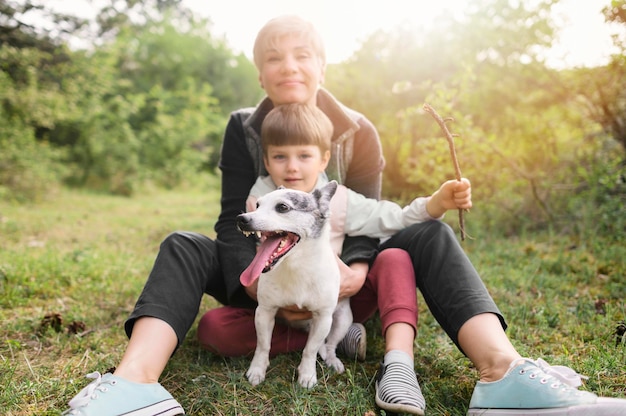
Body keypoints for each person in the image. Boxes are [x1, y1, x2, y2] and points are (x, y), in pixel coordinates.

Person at [63, 14, 626, 416]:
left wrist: (348, 274)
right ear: (259, 73)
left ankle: (501, 372)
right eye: (273, 59)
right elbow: (233, 221)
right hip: (267, 270)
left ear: (322, 65)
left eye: (302, 54)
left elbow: (365, 224)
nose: (289, 67)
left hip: (336, 275)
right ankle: (135, 386)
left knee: (421, 234)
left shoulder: (359, 131)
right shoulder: (242, 128)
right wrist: (259, 285)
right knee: (183, 245)